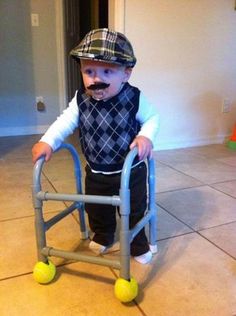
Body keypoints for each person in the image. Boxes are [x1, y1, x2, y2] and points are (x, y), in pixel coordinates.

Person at [32, 28, 159, 264]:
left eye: (107, 71)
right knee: (96, 208)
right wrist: (48, 141)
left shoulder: (134, 98)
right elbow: (65, 121)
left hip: (130, 172)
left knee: (133, 208)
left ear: (126, 73)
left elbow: (153, 118)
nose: (96, 79)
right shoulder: (81, 99)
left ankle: (138, 243)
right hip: (97, 170)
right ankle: (103, 235)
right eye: (88, 71)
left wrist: (145, 137)